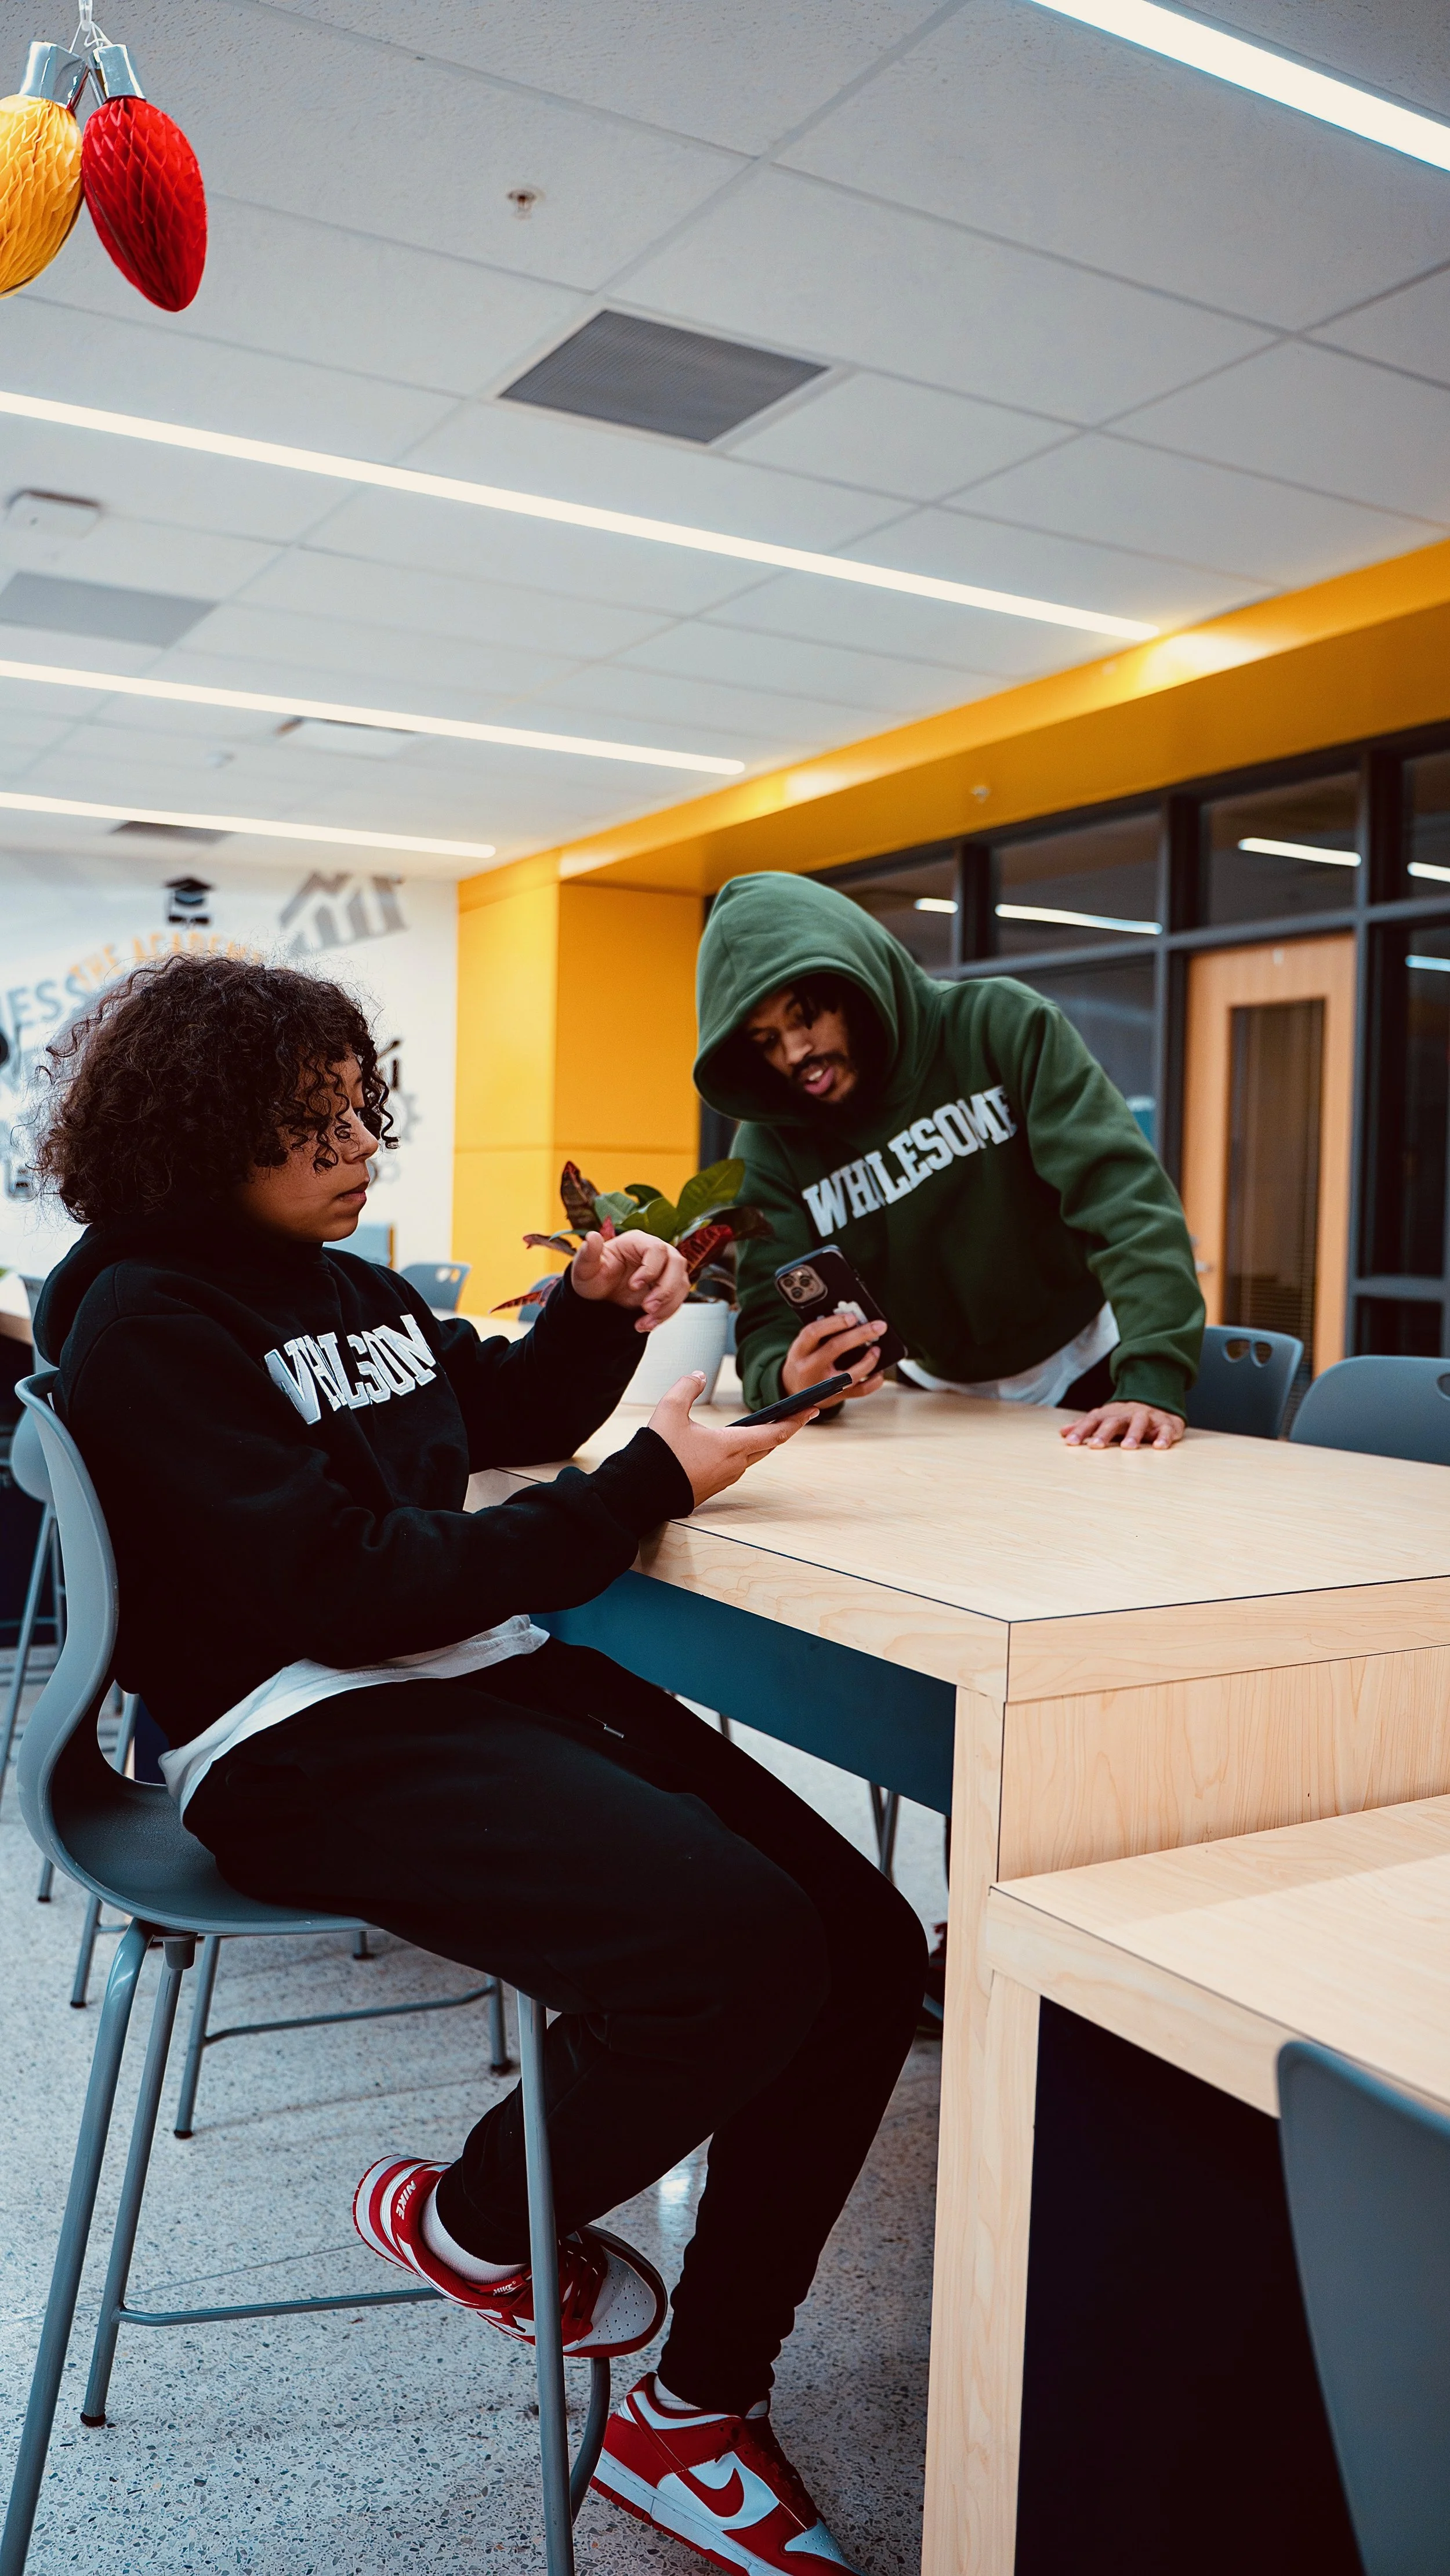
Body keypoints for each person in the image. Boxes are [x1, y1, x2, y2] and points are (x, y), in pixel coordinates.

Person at [32, 953, 925, 2576]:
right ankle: (471, 2217)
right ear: (199, 1132)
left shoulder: (346, 1289)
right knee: (732, 1947)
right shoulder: (146, 1316)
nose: (357, 1144)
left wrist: (589, 1312)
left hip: (467, 1674)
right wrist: (644, 1482)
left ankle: (692, 2409)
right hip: (295, 1729)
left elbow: (492, 1403)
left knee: (861, 1950)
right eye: (310, 1125)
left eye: (360, 1106)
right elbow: (348, 1583)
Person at [694, 872, 1204, 1450]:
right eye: (765, 1040)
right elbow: (767, 1315)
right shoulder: (770, 1143)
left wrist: (1150, 1378)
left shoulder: (1000, 1026)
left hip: (1094, 1367)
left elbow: (1124, 1200)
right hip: (931, 1399)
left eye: (805, 1016)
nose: (794, 1052)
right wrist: (791, 1379)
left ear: (856, 985)